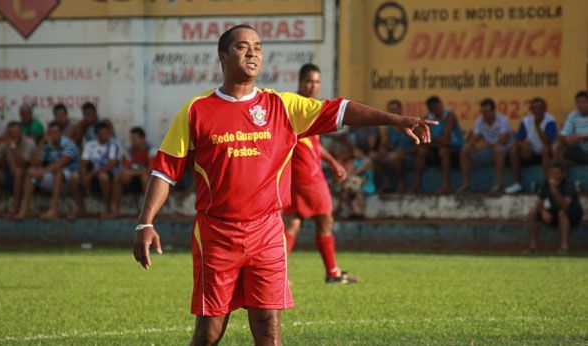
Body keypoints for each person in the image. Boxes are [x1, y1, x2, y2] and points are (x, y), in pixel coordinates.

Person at [132, 25, 435, 345]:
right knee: (208, 333)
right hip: (217, 235)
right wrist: (145, 223)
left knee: (269, 332)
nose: (253, 53)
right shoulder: (196, 111)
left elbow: (342, 110)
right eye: (242, 47)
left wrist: (394, 119)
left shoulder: (284, 106)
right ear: (222, 56)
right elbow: (164, 171)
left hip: (267, 232)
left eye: (258, 47)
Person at [282, 63, 354, 284]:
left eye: (317, 82)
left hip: (301, 175)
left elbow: (313, 144)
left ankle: (276, 275)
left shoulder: (310, 106)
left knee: (293, 223)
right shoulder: (295, 107)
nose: (313, 86)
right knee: (325, 219)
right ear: (300, 82)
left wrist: (332, 162)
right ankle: (332, 272)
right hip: (307, 175)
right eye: (309, 81)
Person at [14, 122, 81, 220]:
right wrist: (42, 143)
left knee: (58, 171)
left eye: (55, 133)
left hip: (70, 179)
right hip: (53, 179)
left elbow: (60, 164)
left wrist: (43, 171)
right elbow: (35, 162)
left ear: (61, 133)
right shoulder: (48, 146)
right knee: (31, 172)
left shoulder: (69, 145)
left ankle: (54, 210)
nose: (52, 135)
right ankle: (25, 210)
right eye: (50, 133)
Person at [0, 121, 36, 217]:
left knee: (19, 171)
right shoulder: (5, 143)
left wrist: (13, 146)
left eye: (16, 131)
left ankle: (15, 210)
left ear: (21, 132)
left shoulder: (29, 143)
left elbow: (22, 164)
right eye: (11, 132)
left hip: (27, 178)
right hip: (11, 175)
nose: (13, 134)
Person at [527, 161, 583, 254]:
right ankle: (533, 246)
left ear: (563, 174)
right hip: (554, 212)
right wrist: (542, 211)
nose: (555, 176)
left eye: (557, 173)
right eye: (552, 173)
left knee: (562, 213)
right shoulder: (546, 183)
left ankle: (564, 247)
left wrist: (554, 189)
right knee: (533, 212)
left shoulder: (568, 184)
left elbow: (564, 205)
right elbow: (539, 201)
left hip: (572, 215)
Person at [459, 98, 512, 192]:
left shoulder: (503, 119)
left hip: (503, 150)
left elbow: (502, 141)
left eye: (487, 111)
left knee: (498, 149)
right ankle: (466, 184)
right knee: (464, 150)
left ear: (493, 111)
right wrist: (471, 144)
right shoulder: (480, 120)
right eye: (483, 112)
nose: (485, 114)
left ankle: (499, 184)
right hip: (488, 150)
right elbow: (475, 136)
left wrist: (484, 146)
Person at [505, 98, 557, 193]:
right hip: (532, 151)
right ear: (531, 110)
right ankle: (517, 184)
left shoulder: (550, 120)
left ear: (544, 109)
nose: (537, 111)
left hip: (546, 152)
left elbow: (548, 141)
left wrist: (537, 126)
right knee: (513, 151)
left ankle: (547, 183)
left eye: (540, 108)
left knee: (545, 149)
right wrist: (524, 146)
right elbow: (518, 139)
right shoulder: (526, 120)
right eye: (534, 108)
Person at [413, 96, 463, 193]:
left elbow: (445, 138)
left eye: (439, 107)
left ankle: (445, 185)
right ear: (431, 110)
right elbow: (425, 139)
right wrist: (432, 142)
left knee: (443, 151)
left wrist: (432, 142)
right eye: (435, 109)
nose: (438, 110)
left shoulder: (450, 116)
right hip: (436, 147)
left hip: (453, 149)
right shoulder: (427, 118)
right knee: (422, 152)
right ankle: (417, 185)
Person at [107, 127, 155, 218]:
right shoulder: (129, 151)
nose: (132, 141)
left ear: (142, 139)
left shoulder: (152, 150)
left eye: (134, 139)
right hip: (133, 179)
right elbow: (125, 168)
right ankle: (115, 211)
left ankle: (146, 212)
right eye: (131, 139)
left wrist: (132, 173)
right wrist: (128, 173)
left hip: (148, 181)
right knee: (118, 177)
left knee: (145, 177)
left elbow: (150, 169)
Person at [79, 121, 122, 217]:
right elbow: (83, 162)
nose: (104, 136)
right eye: (101, 134)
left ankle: (107, 209)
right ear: (96, 134)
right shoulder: (89, 145)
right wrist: (83, 176)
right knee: (74, 178)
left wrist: (90, 175)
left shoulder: (113, 144)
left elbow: (110, 165)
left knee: (103, 177)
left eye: (106, 133)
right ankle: (80, 210)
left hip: (110, 174)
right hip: (94, 174)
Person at [383, 100, 416, 193]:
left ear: (400, 110)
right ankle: (386, 183)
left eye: (395, 109)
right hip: (393, 154)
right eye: (391, 110)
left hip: (408, 154)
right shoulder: (388, 128)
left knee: (395, 158)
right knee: (376, 158)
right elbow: (385, 144)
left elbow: (420, 146)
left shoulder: (410, 125)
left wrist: (405, 151)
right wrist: (384, 149)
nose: (393, 112)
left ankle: (401, 184)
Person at [556, 91, 588, 164]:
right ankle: (562, 174)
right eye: (578, 103)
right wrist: (567, 139)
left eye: (584, 102)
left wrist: (581, 138)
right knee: (559, 148)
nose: (581, 105)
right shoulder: (573, 115)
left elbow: (581, 138)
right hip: (579, 149)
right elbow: (564, 135)